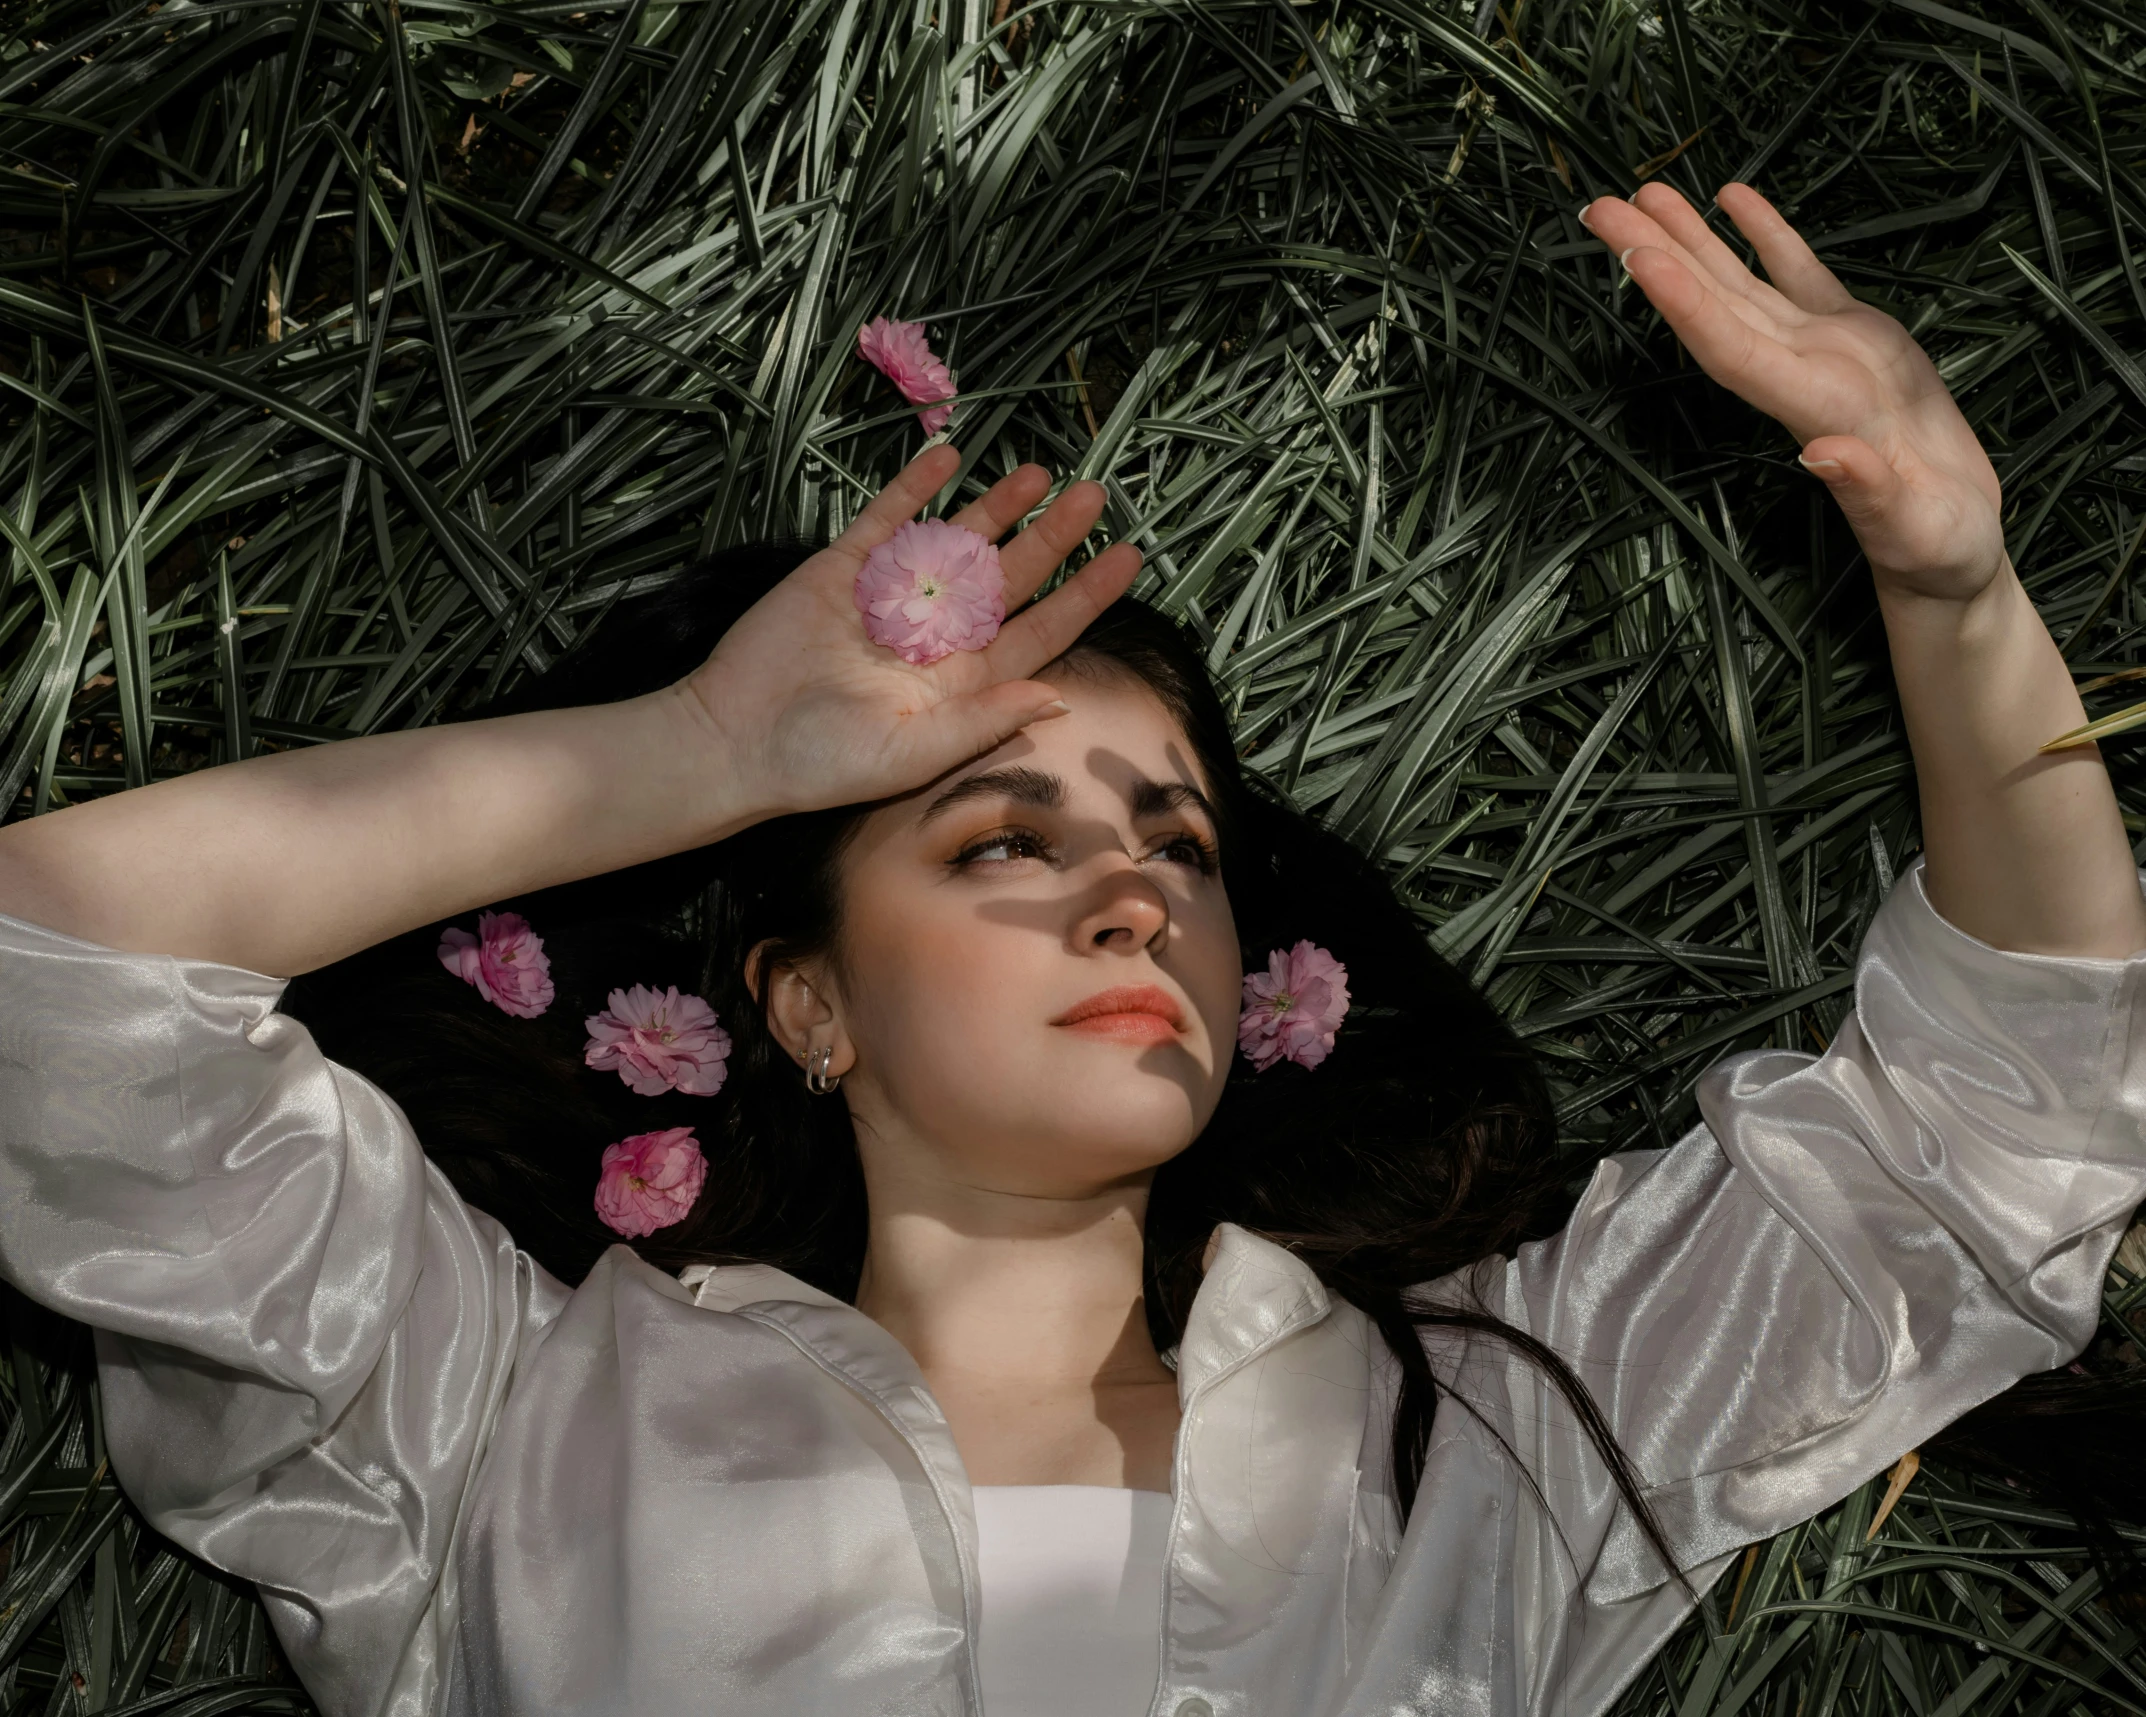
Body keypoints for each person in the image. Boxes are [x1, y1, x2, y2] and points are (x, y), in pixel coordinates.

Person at [0, 181, 2140, 1717]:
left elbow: (1989, 1130)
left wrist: (1950, 580)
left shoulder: (1474, 1437)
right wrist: (693, 753)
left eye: (1177, 844)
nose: (1134, 898)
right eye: (1002, 839)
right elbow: (53, 980)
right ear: (802, 1001)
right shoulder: (498, 1425)